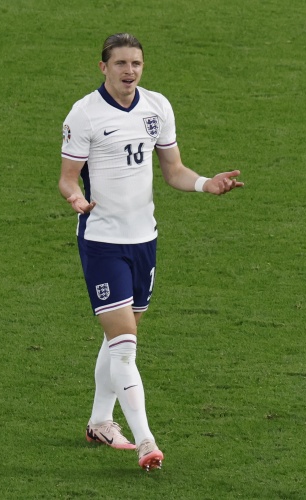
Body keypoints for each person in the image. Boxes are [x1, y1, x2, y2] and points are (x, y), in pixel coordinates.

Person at [58, 33, 243, 471]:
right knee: (125, 347)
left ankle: (100, 422)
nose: (129, 71)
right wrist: (74, 197)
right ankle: (146, 442)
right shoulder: (85, 114)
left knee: (120, 339)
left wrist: (206, 184)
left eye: (136, 63)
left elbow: (173, 170)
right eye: (121, 63)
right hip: (103, 242)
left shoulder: (157, 108)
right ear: (103, 67)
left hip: (144, 240)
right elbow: (67, 176)